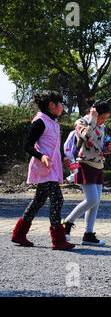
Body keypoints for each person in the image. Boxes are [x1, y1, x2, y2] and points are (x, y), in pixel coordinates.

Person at [11, 91, 75, 250]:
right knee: (58, 199)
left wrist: (64, 158)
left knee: (38, 201)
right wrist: (41, 157)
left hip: (52, 166)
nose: (62, 107)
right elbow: (27, 145)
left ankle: (19, 234)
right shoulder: (40, 121)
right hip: (43, 166)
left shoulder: (54, 122)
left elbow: (54, 146)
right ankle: (59, 240)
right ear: (52, 105)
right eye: (60, 103)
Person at [63, 101, 111, 246]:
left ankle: (88, 234)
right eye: (102, 117)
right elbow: (86, 136)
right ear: (94, 113)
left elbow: (98, 144)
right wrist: (92, 119)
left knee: (96, 203)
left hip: (98, 165)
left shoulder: (101, 126)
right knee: (92, 200)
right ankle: (67, 223)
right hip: (84, 164)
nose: (103, 121)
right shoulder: (82, 122)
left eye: (106, 118)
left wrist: (107, 149)